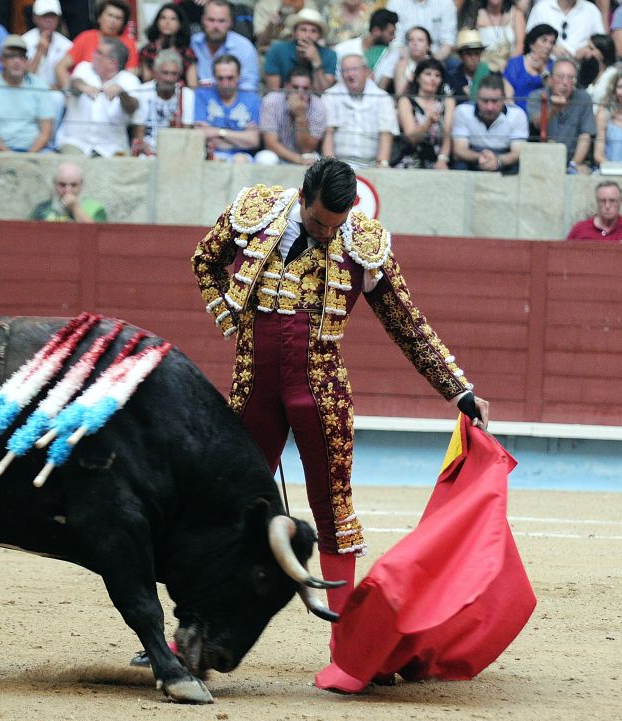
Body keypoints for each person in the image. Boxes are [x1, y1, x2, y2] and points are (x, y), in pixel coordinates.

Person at [189, 157, 488, 689]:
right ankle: (193, 633)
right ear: (302, 197)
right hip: (253, 385)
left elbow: (408, 325)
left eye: (337, 224)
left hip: (320, 391)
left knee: (334, 512)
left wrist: (458, 390)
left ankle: (349, 655)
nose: (329, 233)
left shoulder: (361, 241)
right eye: (320, 222)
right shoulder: (257, 211)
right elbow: (204, 262)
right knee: (225, 508)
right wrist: (228, 316)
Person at [55, 36, 140, 157]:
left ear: (112, 62)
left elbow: (133, 107)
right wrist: (82, 86)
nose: (93, 53)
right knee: (70, 169)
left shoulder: (129, 80)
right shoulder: (84, 68)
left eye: (99, 52)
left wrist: (122, 93)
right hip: (75, 142)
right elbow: (74, 83)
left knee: (121, 169)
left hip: (112, 146)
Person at [0, 34, 54, 152]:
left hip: (34, 150)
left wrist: (28, 156)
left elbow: (46, 131)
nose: (17, 61)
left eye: (21, 57)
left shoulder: (40, 85)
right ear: (1, 60)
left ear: (26, 61)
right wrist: (7, 153)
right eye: (11, 56)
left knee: (57, 162)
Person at [321, 53, 399, 168]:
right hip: (338, 164)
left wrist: (382, 165)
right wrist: (330, 168)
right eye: (345, 70)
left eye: (354, 69)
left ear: (366, 71)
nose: (350, 74)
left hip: (372, 164)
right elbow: (328, 133)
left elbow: (386, 134)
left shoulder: (383, 97)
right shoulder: (330, 96)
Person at [527, 56, 594, 174]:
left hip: (573, 161)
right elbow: (537, 124)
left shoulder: (584, 98)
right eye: (560, 77)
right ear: (551, 78)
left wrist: (574, 164)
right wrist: (553, 109)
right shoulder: (537, 96)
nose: (565, 82)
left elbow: (585, 135)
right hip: (541, 160)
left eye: (570, 78)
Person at [451, 72, 527, 172]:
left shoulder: (517, 115)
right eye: (485, 101)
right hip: (472, 156)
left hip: (505, 158)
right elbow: (459, 149)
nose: (489, 107)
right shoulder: (463, 111)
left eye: (494, 101)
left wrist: (498, 161)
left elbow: (517, 153)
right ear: (477, 97)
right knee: (459, 165)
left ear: (504, 98)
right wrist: (480, 157)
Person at [55, 0, 139, 89]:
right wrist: (71, 92)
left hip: (113, 95)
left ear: (123, 23)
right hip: (84, 92)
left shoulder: (128, 43)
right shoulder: (85, 38)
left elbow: (131, 75)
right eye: (110, 15)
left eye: (118, 18)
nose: (112, 21)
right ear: (99, 18)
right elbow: (60, 67)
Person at [194, 53, 260, 161]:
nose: (225, 83)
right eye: (220, 78)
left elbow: (253, 140)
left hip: (242, 156)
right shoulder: (202, 95)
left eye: (230, 78)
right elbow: (200, 134)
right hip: (208, 154)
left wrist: (218, 132)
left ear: (239, 76)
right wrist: (240, 137)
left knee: (240, 160)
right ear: (214, 77)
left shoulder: (252, 99)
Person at [255, 64, 325, 165]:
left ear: (311, 89)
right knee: (265, 158)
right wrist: (298, 159)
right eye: (295, 87)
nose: (300, 93)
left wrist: (300, 116)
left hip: (304, 154)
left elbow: (308, 148)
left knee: (314, 159)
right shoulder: (271, 101)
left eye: (305, 88)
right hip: (278, 154)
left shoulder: (318, 106)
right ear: (286, 86)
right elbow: (270, 143)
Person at [130, 48, 195, 156]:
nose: (169, 78)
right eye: (165, 73)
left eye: (174, 74)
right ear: (155, 73)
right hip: (147, 151)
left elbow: (186, 132)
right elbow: (138, 133)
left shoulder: (187, 94)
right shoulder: (144, 91)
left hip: (176, 151)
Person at [395, 57, 453, 168]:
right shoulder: (406, 101)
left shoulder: (447, 101)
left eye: (437, 75)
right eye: (428, 74)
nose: (433, 79)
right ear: (417, 78)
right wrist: (428, 123)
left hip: (439, 160)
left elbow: (447, 133)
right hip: (411, 159)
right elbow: (412, 138)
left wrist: (442, 159)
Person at [190, 0, 260, 91]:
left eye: (221, 21)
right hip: (198, 100)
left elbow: (249, 87)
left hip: (234, 101)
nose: (216, 26)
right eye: (211, 20)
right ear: (203, 20)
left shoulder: (244, 47)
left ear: (230, 22)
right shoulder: (192, 43)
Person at [264, 8, 337, 92]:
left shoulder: (329, 55)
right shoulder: (277, 50)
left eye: (313, 31)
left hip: (315, 101)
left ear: (319, 35)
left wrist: (316, 61)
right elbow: (273, 90)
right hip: (283, 98)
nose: (308, 35)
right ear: (294, 33)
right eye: (303, 30)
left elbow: (324, 93)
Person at [333, 8, 400, 90]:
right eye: (391, 33)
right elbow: (336, 83)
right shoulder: (342, 49)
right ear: (376, 31)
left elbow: (382, 88)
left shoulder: (392, 53)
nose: (394, 37)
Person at [139, 2, 197, 86]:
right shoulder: (148, 50)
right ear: (157, 22)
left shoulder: (187, 53)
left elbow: (193, 85)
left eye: (173, 19)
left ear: (180, 24)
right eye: (163, 18)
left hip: (181, 95)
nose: (167, 22)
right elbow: (146, 81)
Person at [503, 23, 557, 112]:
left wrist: (542, 70)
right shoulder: (516, 63)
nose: (548, 46)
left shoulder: (554, 66)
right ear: (531, 43)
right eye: (544, 41)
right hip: (517, 113)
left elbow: (554, 93)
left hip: (544, 115)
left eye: (551, 42)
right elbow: (508, 96)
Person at [525, 0, 603, 60]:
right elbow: (529, 40)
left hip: (581, 68)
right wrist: (551, 47)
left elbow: (601, 42)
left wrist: (587, 49)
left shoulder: (591, 10)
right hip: (545, 66)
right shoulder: (541, 8)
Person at [29, 161, 106, 221]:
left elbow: (96, 236)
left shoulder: (96, 209)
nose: (68, 191)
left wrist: (75, 208)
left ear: (81, 185)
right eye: (62, 185)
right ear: (54, 184)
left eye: (73, 185)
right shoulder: (42, 209)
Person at [22, 0, 72, 90]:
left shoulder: (67, 45)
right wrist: (39, 51)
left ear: (58, 19)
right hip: (29, 92)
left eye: (53, 16)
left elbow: (68, 83)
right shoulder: (24, 42)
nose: (49, 20)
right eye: (44, 16)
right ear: (34, 18)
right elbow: (23, 80)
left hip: (57, 95)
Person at [387, 0, 457, 62]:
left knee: (455, 66)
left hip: (437, 57)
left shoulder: (446, 2)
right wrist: (410, 64)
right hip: (404, 56)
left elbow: (448, 42)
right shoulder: (396, 2)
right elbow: (396, 42)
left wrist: (430, 64)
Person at [471, 0, 525, 73]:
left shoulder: (516, 14)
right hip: (483, 68)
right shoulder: (476, 15)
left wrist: (508, 66)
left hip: (510, 68)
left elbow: (520, 47)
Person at [593, 69, 622, 168]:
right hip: (610, 171)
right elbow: (598, 155)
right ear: (614, 90)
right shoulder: (604, 114)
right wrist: (614, 168)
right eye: (620, 87)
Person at [445, 28, 490, 104]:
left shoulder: (490, 76)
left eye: (477, 53)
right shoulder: (451, 78)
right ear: (461, 56)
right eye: (469, 54)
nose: (473, 58)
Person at [391, 24, 432, 96]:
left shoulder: (434, 64)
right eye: (411, 40)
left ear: (428, 46)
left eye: (420, 40)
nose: (415, 43)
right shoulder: (402, 64)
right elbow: (399, 95)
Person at [578, 34, 618, 107]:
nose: (585, 51)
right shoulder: (584, 71)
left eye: (591, 48)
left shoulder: (613, 75)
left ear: (602, 54)